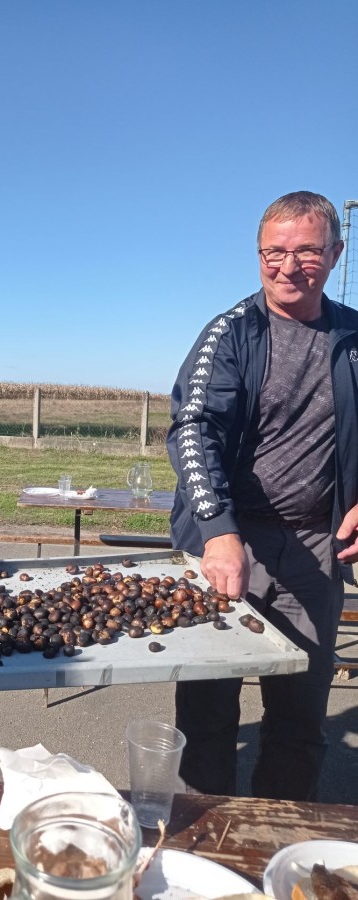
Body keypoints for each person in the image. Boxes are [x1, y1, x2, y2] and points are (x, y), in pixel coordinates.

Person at [167, 190, 358, 802]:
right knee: (207, 719)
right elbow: (193, 429)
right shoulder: (229, 333)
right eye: (274, 252)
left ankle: (282, 844)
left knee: (299, 724)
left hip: (315, 548)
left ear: (336, 253)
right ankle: (201, 842)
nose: (288, 266)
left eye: (307, 251)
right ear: (257, 255)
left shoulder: (353, 335)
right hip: (229, 546)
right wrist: (218, 530)